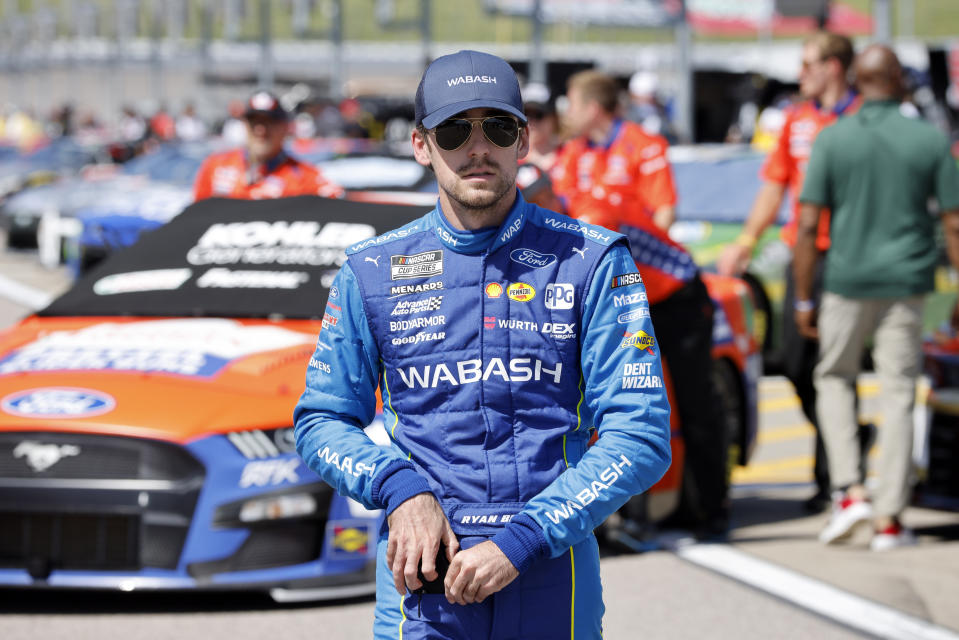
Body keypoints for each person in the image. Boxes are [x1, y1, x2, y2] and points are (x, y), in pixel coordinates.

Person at [293, 49, 671, 639]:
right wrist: (398, 489)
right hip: (422, 583)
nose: (477, 148)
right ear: (422, 145)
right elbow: (320, 420)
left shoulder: (593, 261)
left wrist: (524, 539)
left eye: (496, 127)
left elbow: (640, 434)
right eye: (453, 130)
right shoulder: (369, 270)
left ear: (522, 141)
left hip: (550, 570)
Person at [793, 44, 959, 551]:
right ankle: (890, 517)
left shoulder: (833, 139)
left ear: (859, 83)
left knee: (835, 378)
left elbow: (805, 225)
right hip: (907, 286)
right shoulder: (929, 140)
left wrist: (803, 298)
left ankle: (850, 491)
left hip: (845, 281)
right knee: (899, 391)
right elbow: (954, 222)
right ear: (899, 81)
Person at [716, 31, 866, 513]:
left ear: (834, 67)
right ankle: (850, 438)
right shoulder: (797, 120)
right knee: (798, 366)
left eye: (808, 65)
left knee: (834, 369)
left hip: (850, 257)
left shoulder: (866, 118)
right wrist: (745, 241)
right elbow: (773, 186)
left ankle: (832, 479)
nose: (800, 75)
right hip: (804, 256)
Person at [553, 70, 677, 232]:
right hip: (582, 247)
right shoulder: (573, 149)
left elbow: (664, 212)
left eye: (572, 105)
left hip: (633, 248)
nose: (568, 113)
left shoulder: (645, 146)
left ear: (592, 109)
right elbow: (558, 201)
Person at [193, 90, 343, 201]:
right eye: (254, 122)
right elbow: (195, 217)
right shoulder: (215, 166)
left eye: (269, 123)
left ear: (285, 128)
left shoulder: (305, 178)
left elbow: (339, 205)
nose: (260, 130)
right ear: (245, 126)